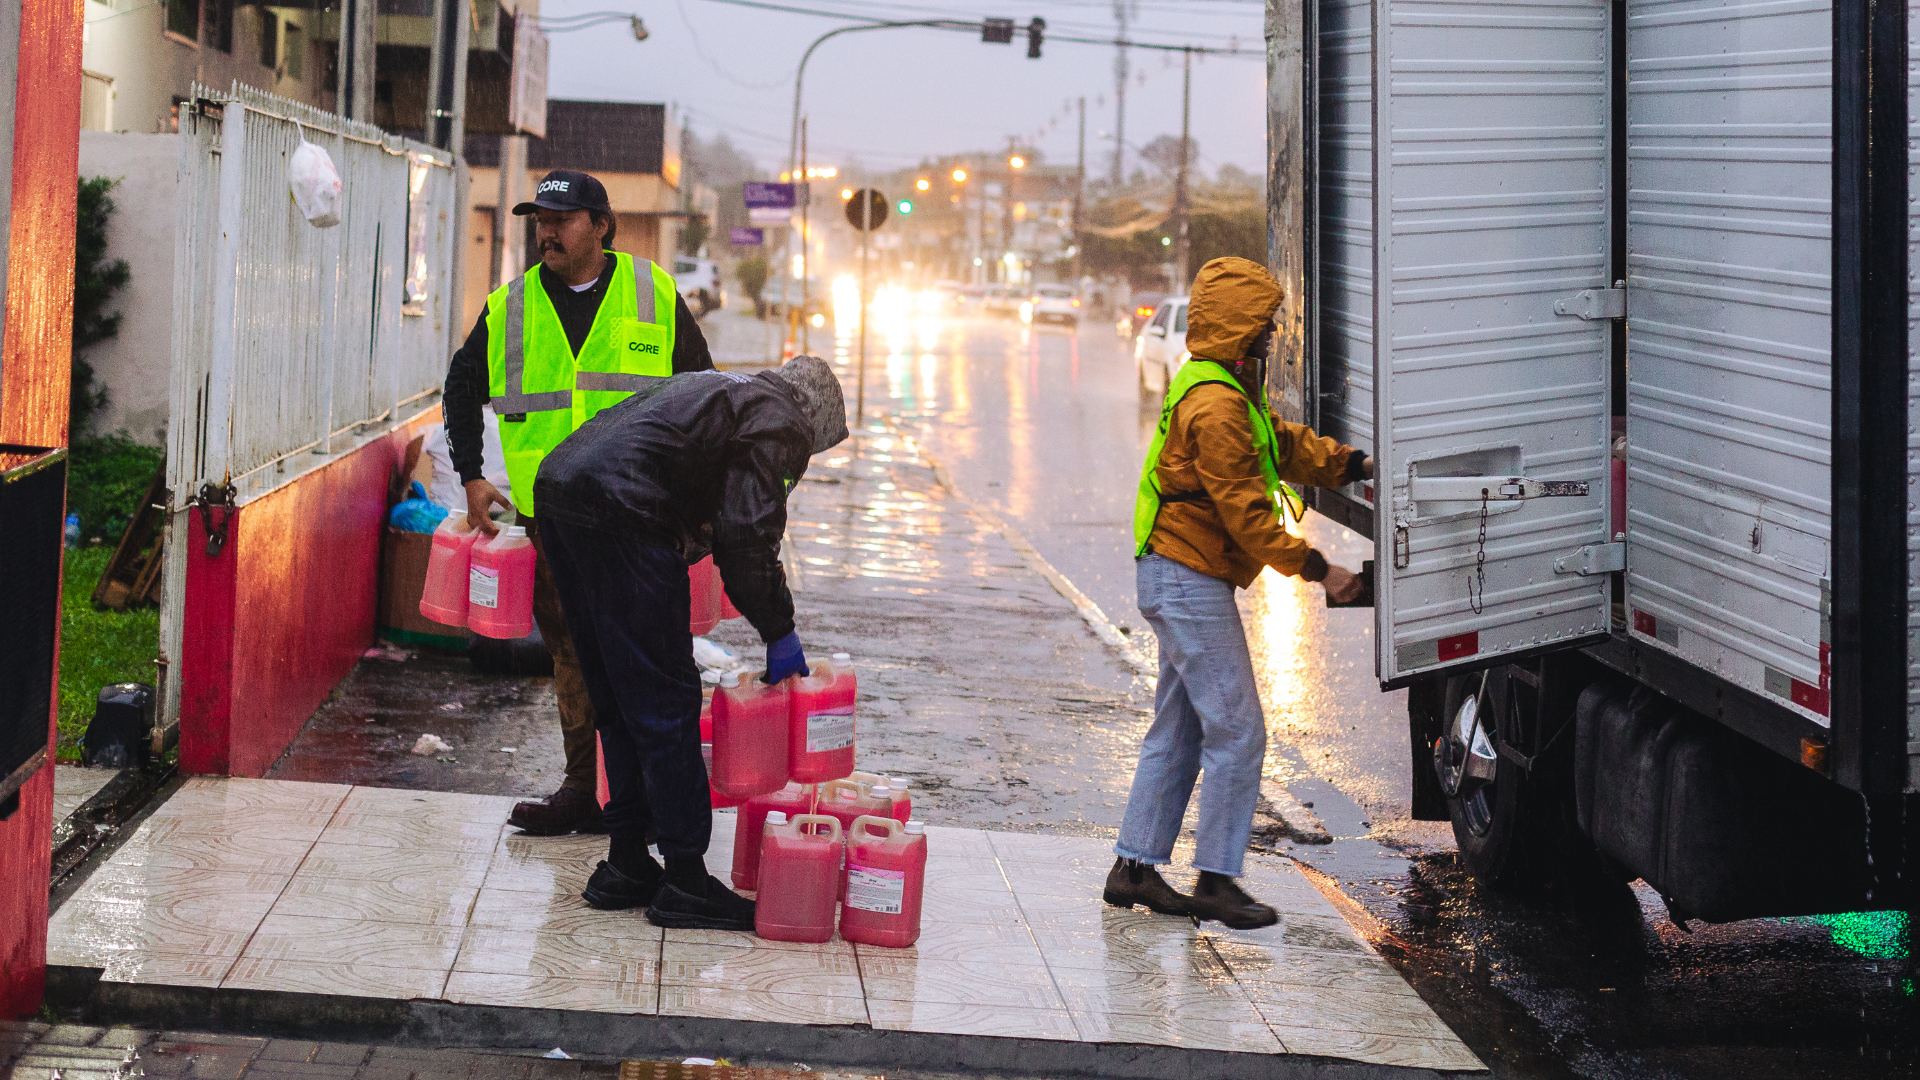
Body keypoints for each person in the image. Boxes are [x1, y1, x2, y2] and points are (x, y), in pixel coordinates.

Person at [442, 168, 716, 836]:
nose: (547, 233)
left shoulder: (652, 292)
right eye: (540, 221)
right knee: (571, 655)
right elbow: (460, 389)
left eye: (562, 220)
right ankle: (581, 789)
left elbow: (703, 394)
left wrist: (695, 502)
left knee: (642, 655)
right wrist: (474, 476)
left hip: (638, 518)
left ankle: (641, 798)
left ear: (601, 225)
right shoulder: (511, 305)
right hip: (553, 523)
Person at [533, 357, 849, 930]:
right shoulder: (781, 421)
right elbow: (747, 536)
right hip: (621, 513)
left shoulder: (721, 388)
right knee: (665, 704)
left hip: (560, 493)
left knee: (615, 695)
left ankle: (626, 861)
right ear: (815, 420)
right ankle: (684, 879)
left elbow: (696, 491)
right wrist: (779, 630)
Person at [1107, 256, 1371, 929]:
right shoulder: (1217, 404)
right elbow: (1247, 516)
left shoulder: (1222, 386)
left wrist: (1351, 464)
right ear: (1237, 327)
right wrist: (1322, 570)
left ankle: (1133, 868)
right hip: (1185, 576)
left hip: (1175, 570)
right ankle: (1218, 878)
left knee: (1183, 727)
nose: (1273, 334)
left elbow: (1278, 445)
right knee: (1239, 730)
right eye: (1265, 324)